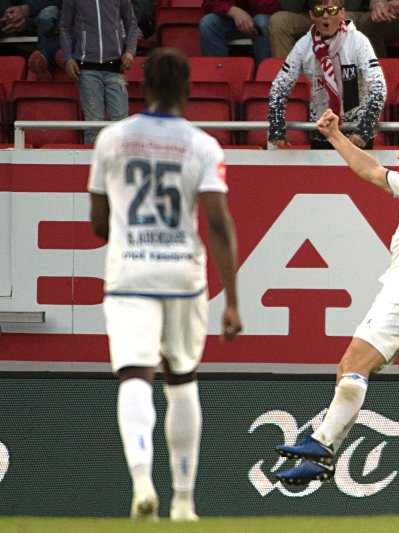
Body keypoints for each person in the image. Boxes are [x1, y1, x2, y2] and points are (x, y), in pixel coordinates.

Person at [88, 47, 242, 522]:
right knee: (181, 378)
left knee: (135, 374)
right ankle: (183, 501)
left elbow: (98, 222)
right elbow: (218, 223)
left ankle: (140, 483)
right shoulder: (203, 145)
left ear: (144, 87)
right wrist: (232, 300)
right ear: (188, 90)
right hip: (183, 272)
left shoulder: (112, 139)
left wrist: (134, 238)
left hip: (130, 271)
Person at [274, 108, 399, 485]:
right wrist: (335, 137)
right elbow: (370, 171)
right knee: (348, 368)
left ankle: (321, 445)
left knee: (354, 365)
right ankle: (322, 455)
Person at [268, 0, 386, 149]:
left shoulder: (358, 41)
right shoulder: (304, 45)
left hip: (356, 130)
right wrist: (277, 126)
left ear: (342, 13)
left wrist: (365, 128)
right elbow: (278, 87)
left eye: (331, 10)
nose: (325, 16)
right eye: (318, 11)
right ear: (311, 15)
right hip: (321, 129)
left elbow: (379, 86)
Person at [59, 0, 140, 145]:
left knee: (121, 124)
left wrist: (130, 51)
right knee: (93, 125)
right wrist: (68, 58)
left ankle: (119, 166)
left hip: (115, 67)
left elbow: (132, 24)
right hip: (87, 68)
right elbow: (65, 27)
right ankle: (91, 165)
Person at [268, 0, 368, 59]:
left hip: (347, 11)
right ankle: (287, 81)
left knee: (341, 20)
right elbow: (289, 6)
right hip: (313, 13)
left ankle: (342, 77)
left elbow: (353, 5)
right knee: (279, 21)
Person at [200, 0, 281, 66]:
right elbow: (208, 3)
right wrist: (232, 10)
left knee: (261, 22)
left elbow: (272, 7)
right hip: (232, 20)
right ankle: (217, 74)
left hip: (264, 17)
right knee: (208, 23)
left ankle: (265, 74)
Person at [0, 1, 62, 81]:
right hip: (20, 24)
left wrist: (28, 8)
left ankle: (45, 67)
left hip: (54, 19)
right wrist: (8, 20)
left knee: (48, 14)